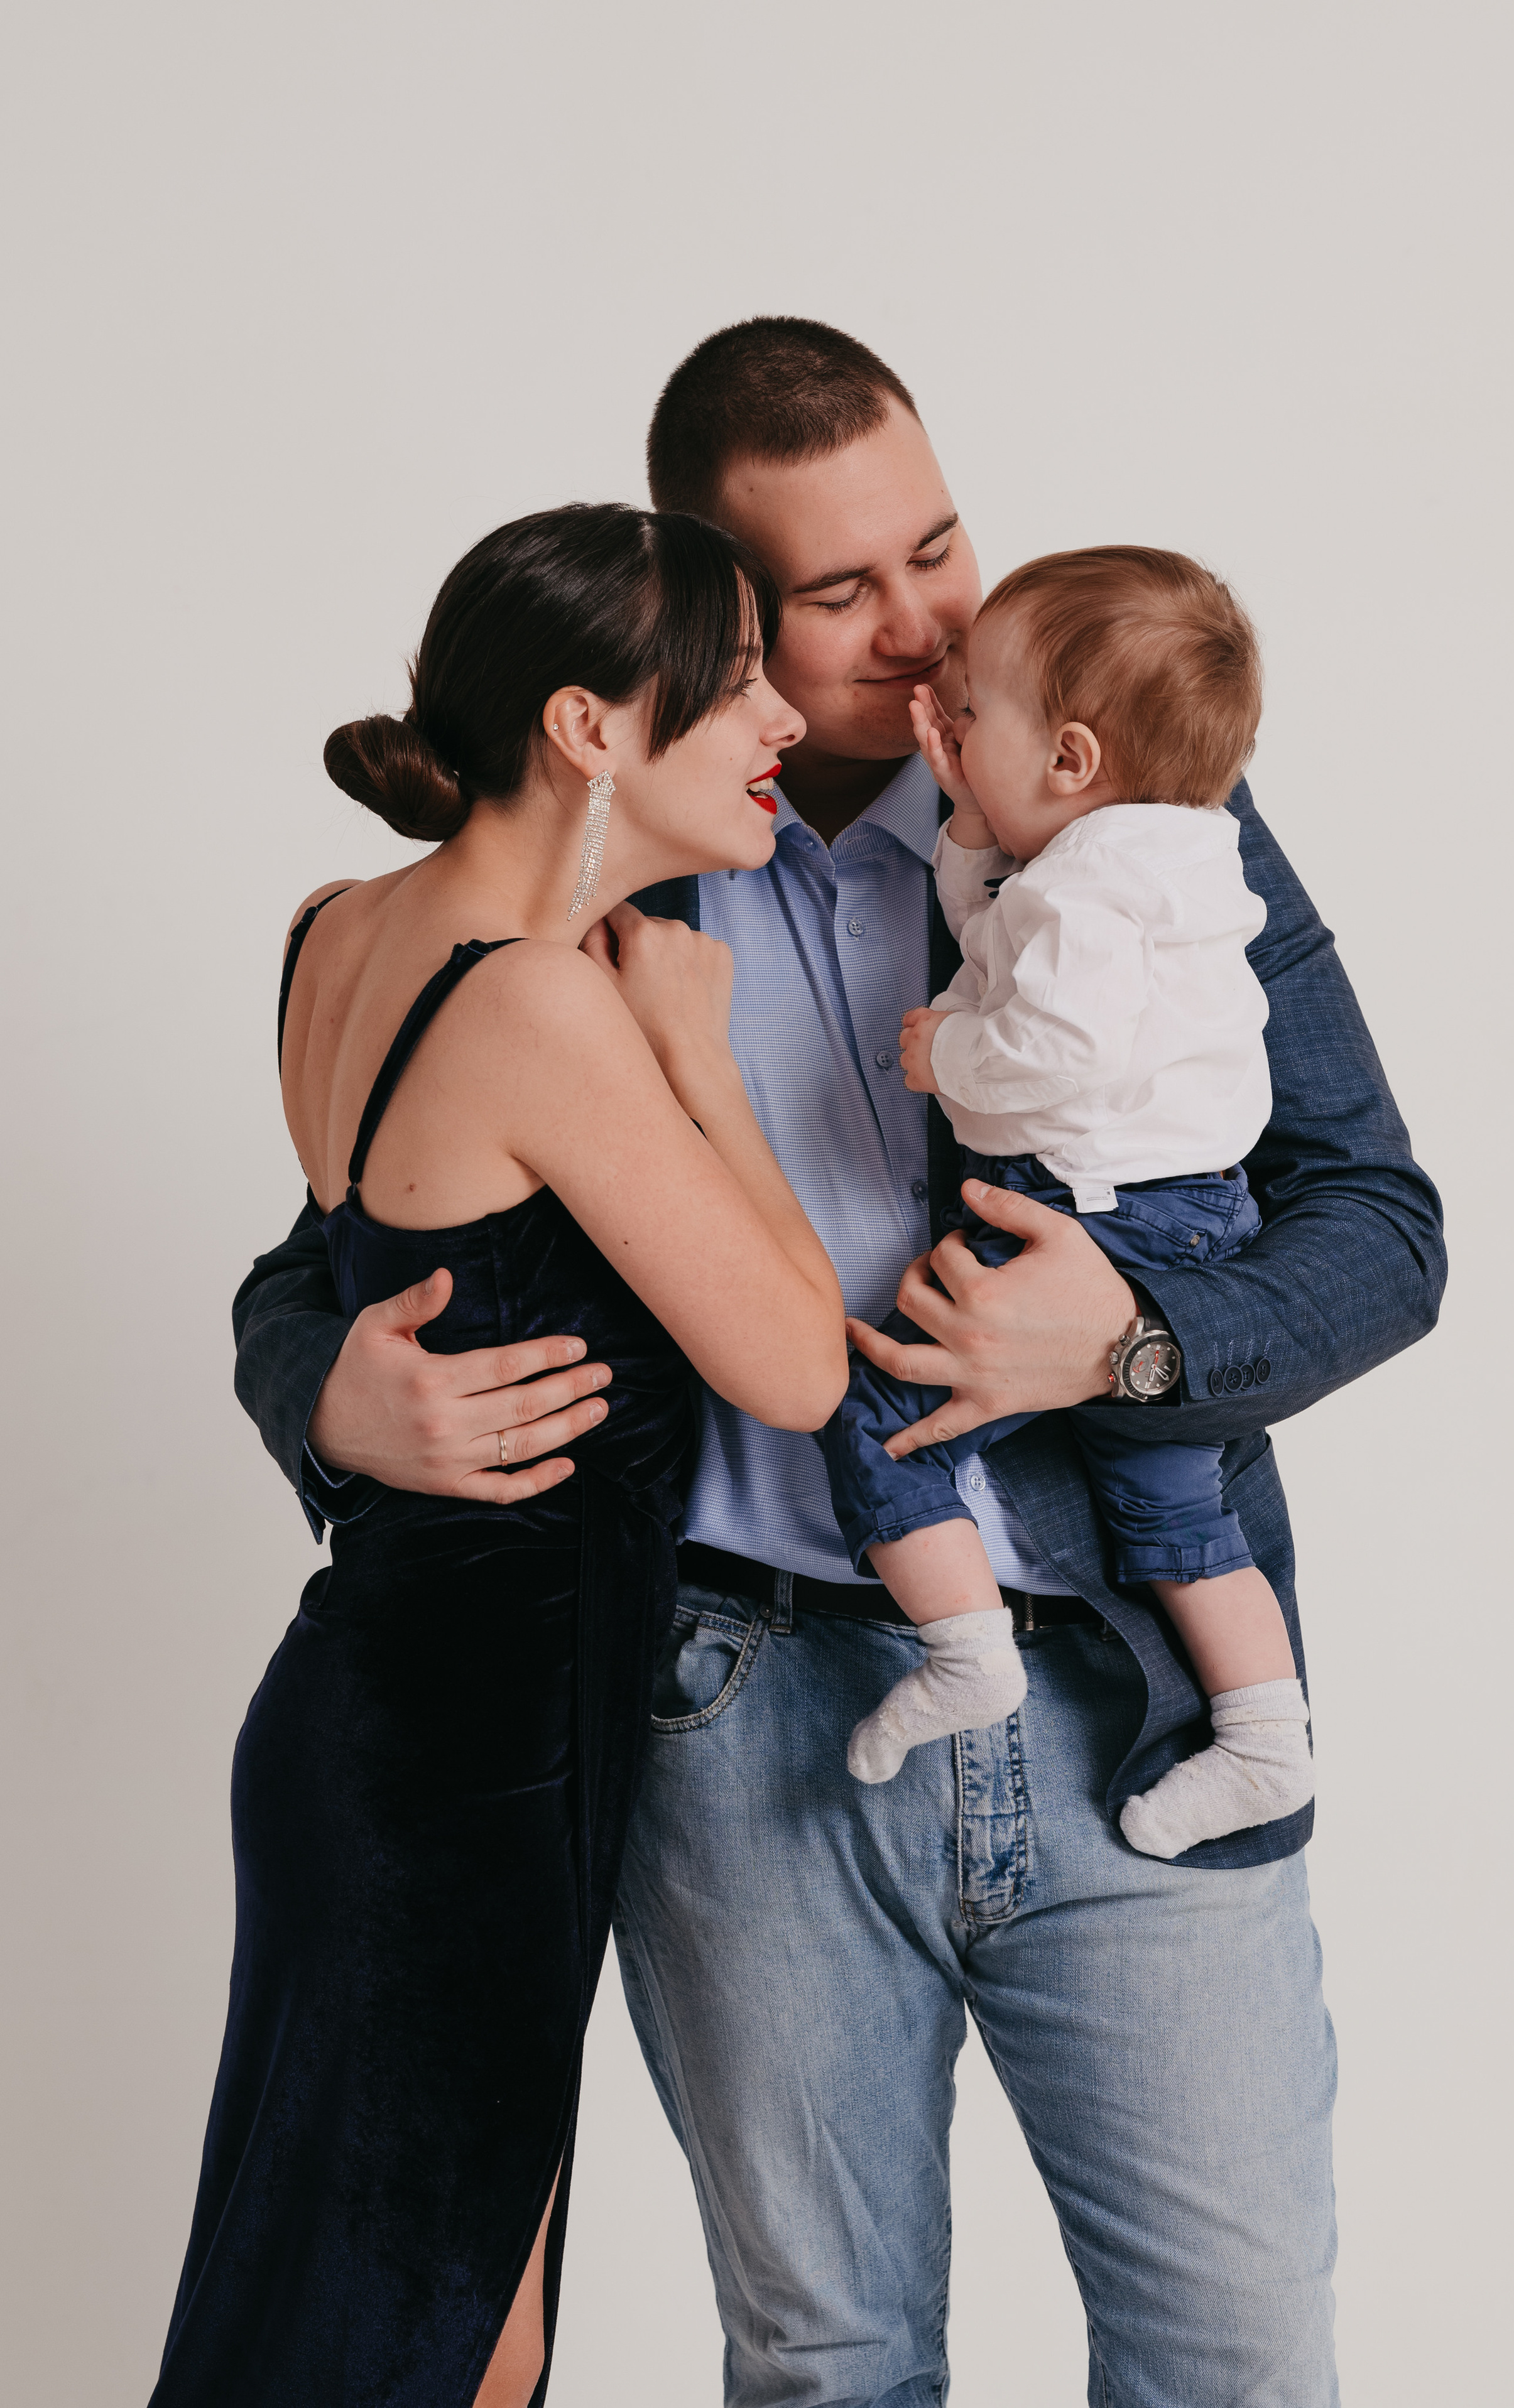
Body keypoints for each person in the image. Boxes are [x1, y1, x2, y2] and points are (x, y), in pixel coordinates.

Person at [232, 321, 1446, 2407]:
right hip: (745, 1716)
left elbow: (1382, 1222)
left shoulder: (1137, 800)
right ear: (722, 622)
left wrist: (1140, 1337)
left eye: (941, 549)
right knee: (823, 2365)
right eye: (840, 593)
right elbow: (358, 1210)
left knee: (1241, 2354)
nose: (925, 627)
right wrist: (319, 1388)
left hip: (1128, 1692)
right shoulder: (622, 859)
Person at [151, 502, 845, 2408]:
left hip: (393, 1711)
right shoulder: (540, 1000)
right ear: (589, 727)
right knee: (428, 2338)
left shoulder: (340, 931)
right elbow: (790, 1366)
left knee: (439, 2326)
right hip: (467, 1743)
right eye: (738, 686)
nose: (780, 716)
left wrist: (314, 1392)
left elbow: (339, 1260)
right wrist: (701, 1066)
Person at [825, 545, 1315, 1865]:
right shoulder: (1160, 852)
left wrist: (948, 1062)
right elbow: (1013, 933)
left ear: (1073, 762)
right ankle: (1264, 1735)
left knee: (881, 1424)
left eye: (973, 708)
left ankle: (963, 1648)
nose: (945, 704)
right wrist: (978, 828)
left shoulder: (1090, 890)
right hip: (1187, 1214)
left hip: (1091, 1219)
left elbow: (1050, 1043)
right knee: (1170, 1504)